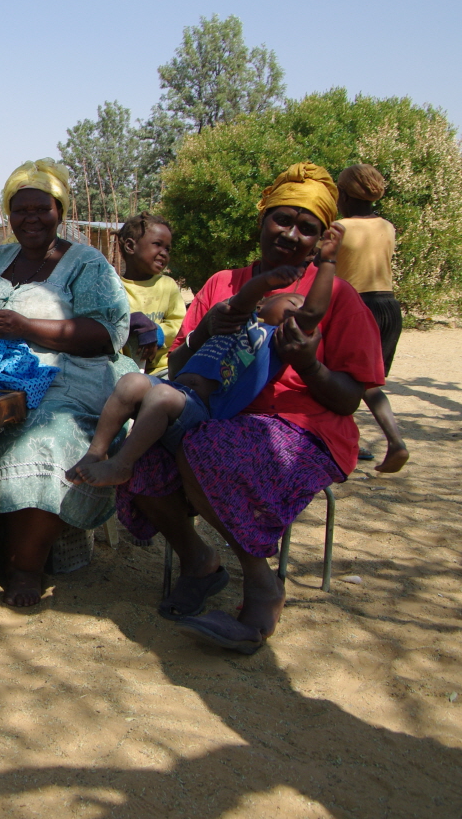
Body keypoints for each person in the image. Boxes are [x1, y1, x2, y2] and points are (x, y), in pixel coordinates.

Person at [115, 162, 385, 653]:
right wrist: (205, 331)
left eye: (307, 228)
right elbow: (181, 367)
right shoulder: (223, 284)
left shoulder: (338, 298)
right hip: (215, 415)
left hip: (305, 429)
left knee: (209, 448)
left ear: (320, 239)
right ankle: (199, 562)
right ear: (262, 220)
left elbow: (349, 399)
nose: (292, 234)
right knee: (142, 456)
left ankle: (262, 585)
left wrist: (310, 365)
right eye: (283, 219)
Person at [0, 159, 132, 607]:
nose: (31, 218)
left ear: (60, 211)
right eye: (21, 210)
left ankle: (25, 568)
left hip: (65, 372)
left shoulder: (86, 264)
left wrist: (28, 328)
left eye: (42, 209)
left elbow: (106, 334)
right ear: (9, 214)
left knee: (43, 439)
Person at [71, 222, 344, 487]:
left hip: (204, 413)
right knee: (131, 381)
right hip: (179, 390)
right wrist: (265, 281)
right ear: (264, 302)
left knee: (162, 396)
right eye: (292, 301)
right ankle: (96, 452)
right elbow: (246, 296)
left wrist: (327, 262)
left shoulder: (274, 341)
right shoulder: (241, 318)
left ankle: (123, 464)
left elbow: (313, 312)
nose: (296, 309)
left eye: (299, 307)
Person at [335, 164, 409, 472]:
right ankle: (385, 441)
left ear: (344, 194)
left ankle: (381, 441)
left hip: (356, 307)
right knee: (369, 381)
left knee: (346, 380)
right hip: (388, 306)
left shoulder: (339, 229)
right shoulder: (387, 227)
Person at [116, 213, 187, 376]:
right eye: (157, 244)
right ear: (130, 246)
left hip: (164, 369)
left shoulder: (167, 286)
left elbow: (180, 325)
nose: (164, 253)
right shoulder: (114, 288)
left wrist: (157, 333)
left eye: (167, 249)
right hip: (124, 372)